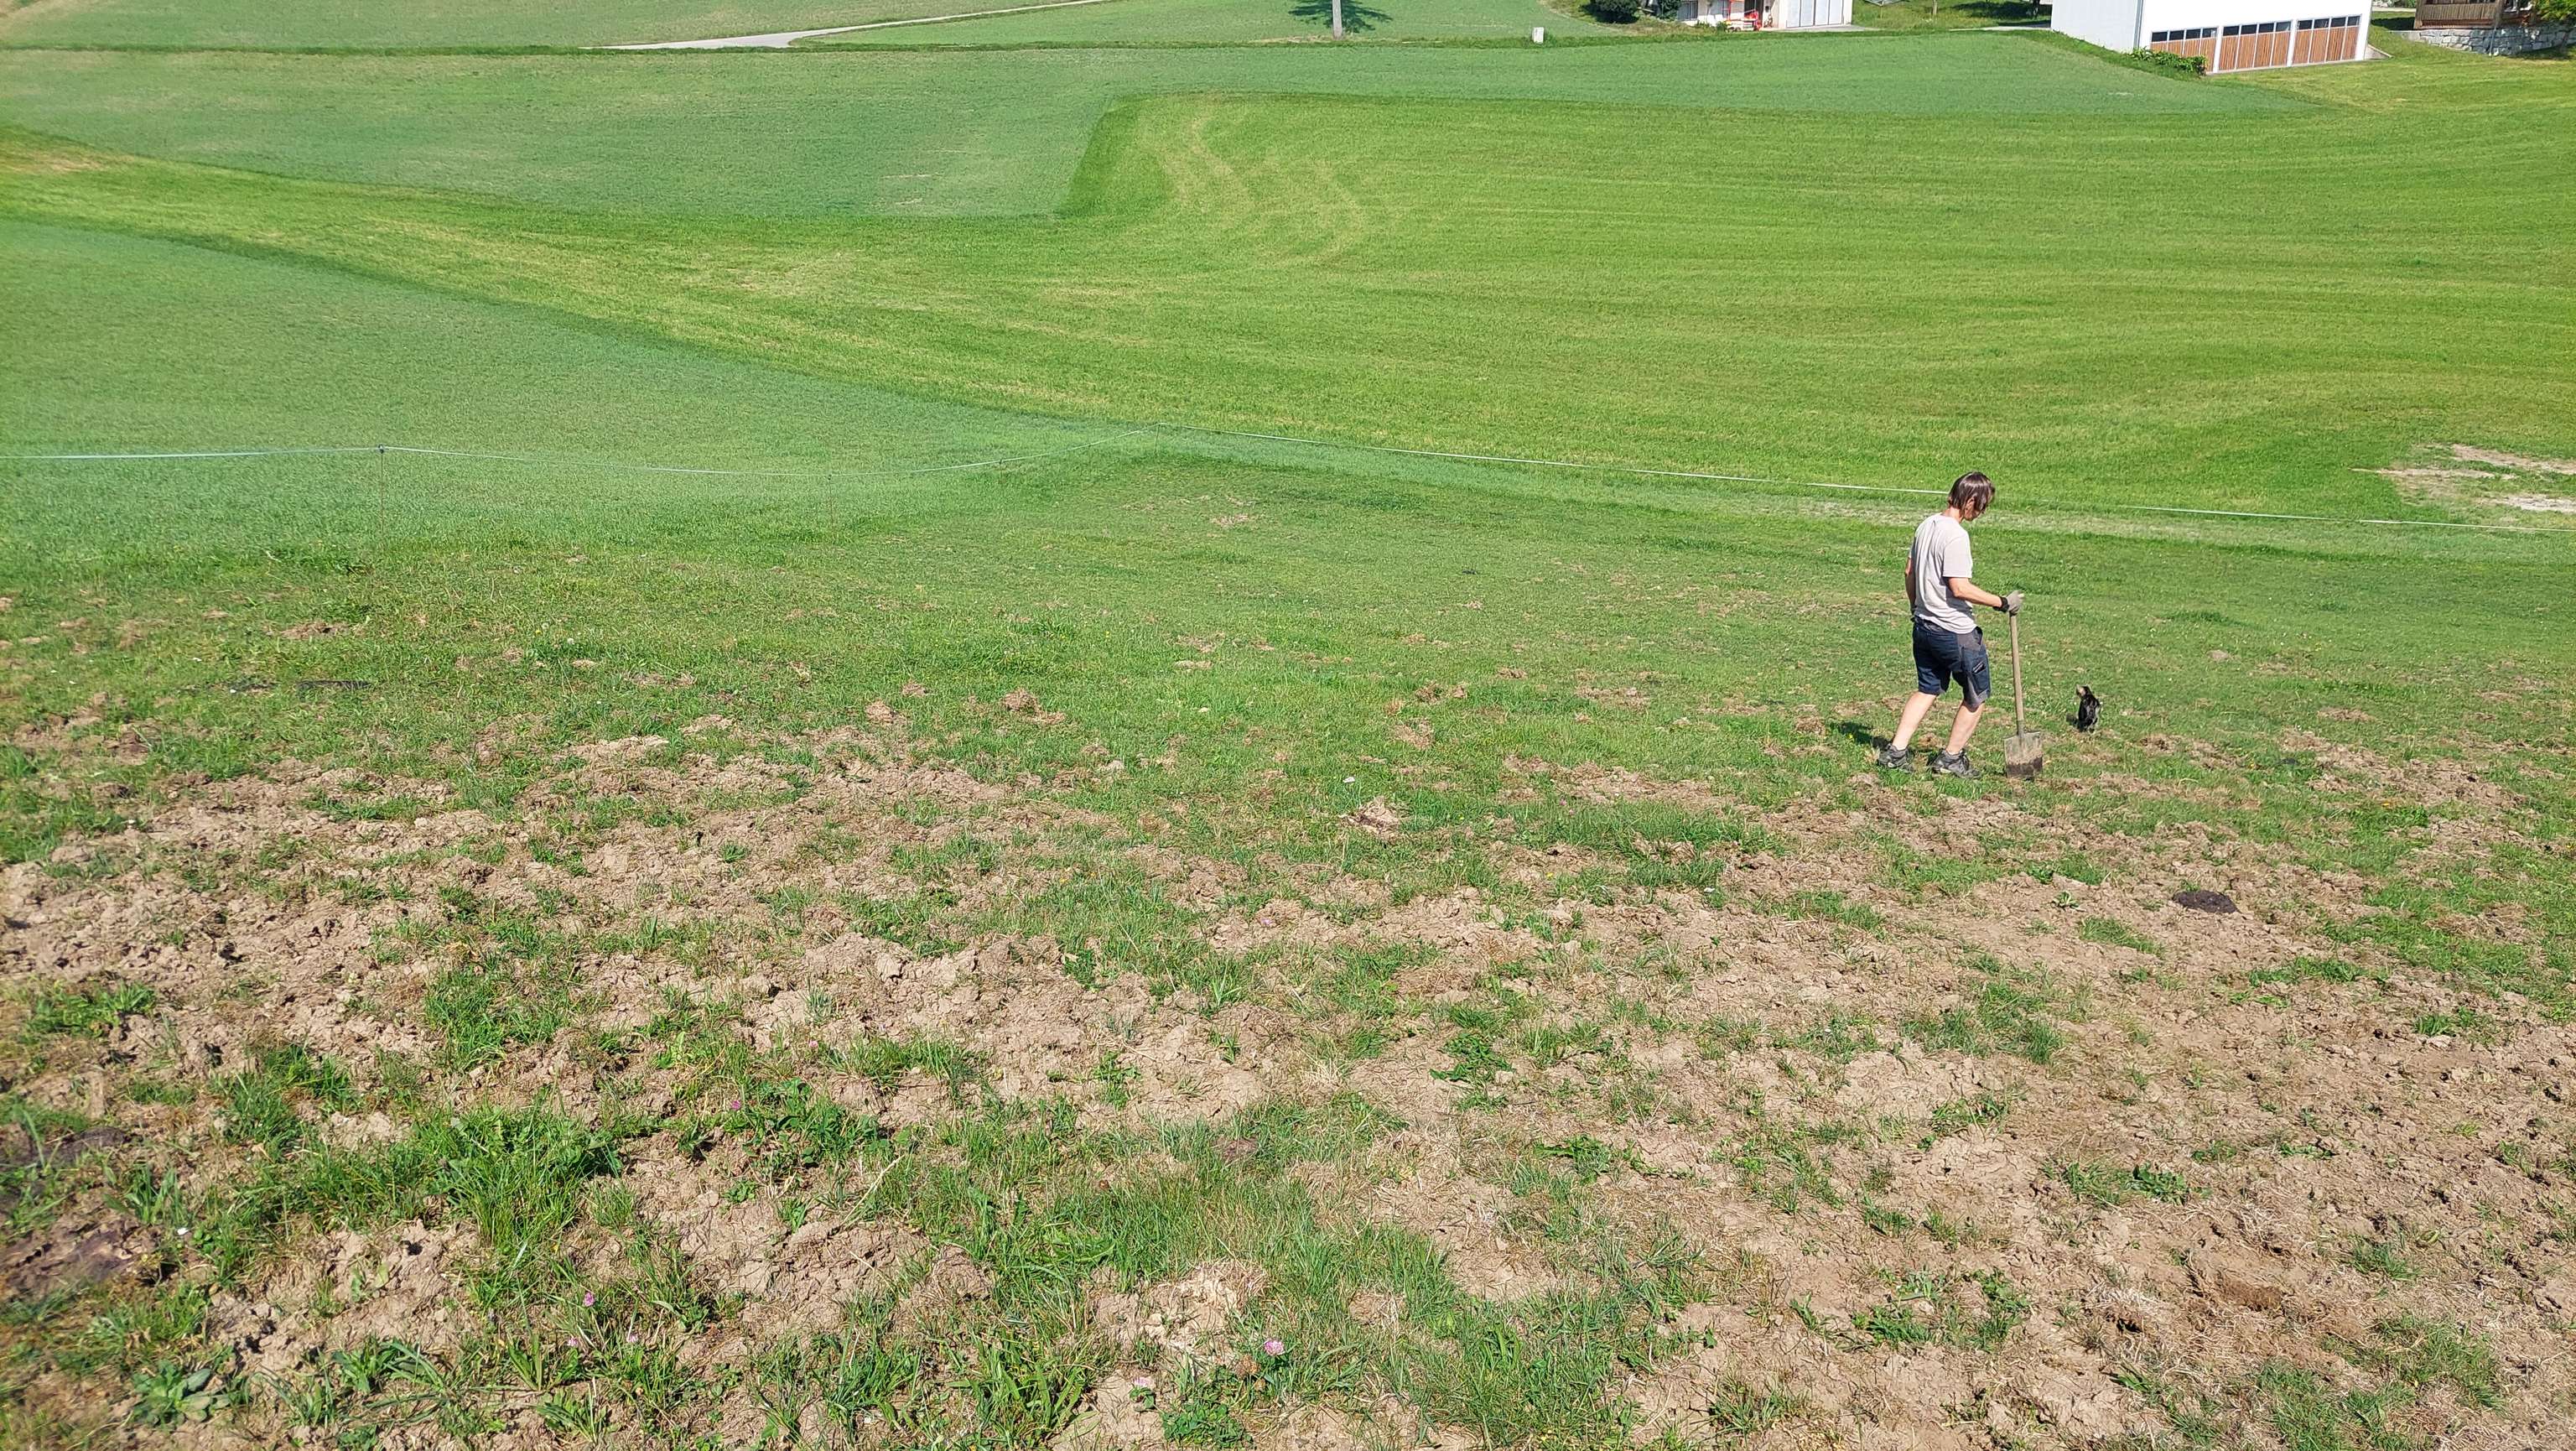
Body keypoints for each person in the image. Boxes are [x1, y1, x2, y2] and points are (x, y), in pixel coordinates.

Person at [1878, 472, 2022, 779]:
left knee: (1927, 689)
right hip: (1954, 632)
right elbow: (1960, 588)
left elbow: (1909, 571)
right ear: (1970, 501)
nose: (1981, 513)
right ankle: (1951, 759)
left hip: (1924, 627)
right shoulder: (1956, 536)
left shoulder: (1926, 525)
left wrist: (1916, 607)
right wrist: (2001, 602)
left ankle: (1895, 752)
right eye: (1982, 506)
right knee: (1976, 695)